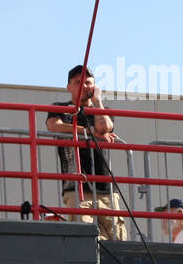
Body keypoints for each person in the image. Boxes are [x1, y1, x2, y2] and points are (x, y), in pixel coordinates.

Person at [45, 65, 127, 241]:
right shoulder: (61, 107)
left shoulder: (102, 109)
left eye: (88, 83)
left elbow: (104, 127)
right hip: (76, 185)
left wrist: (97, 100)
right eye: (78, 82)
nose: (84, 86)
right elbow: (53, 125)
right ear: (69, 87)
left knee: (117, 238)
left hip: (105, 186)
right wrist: (89, 132)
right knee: (85, 238)